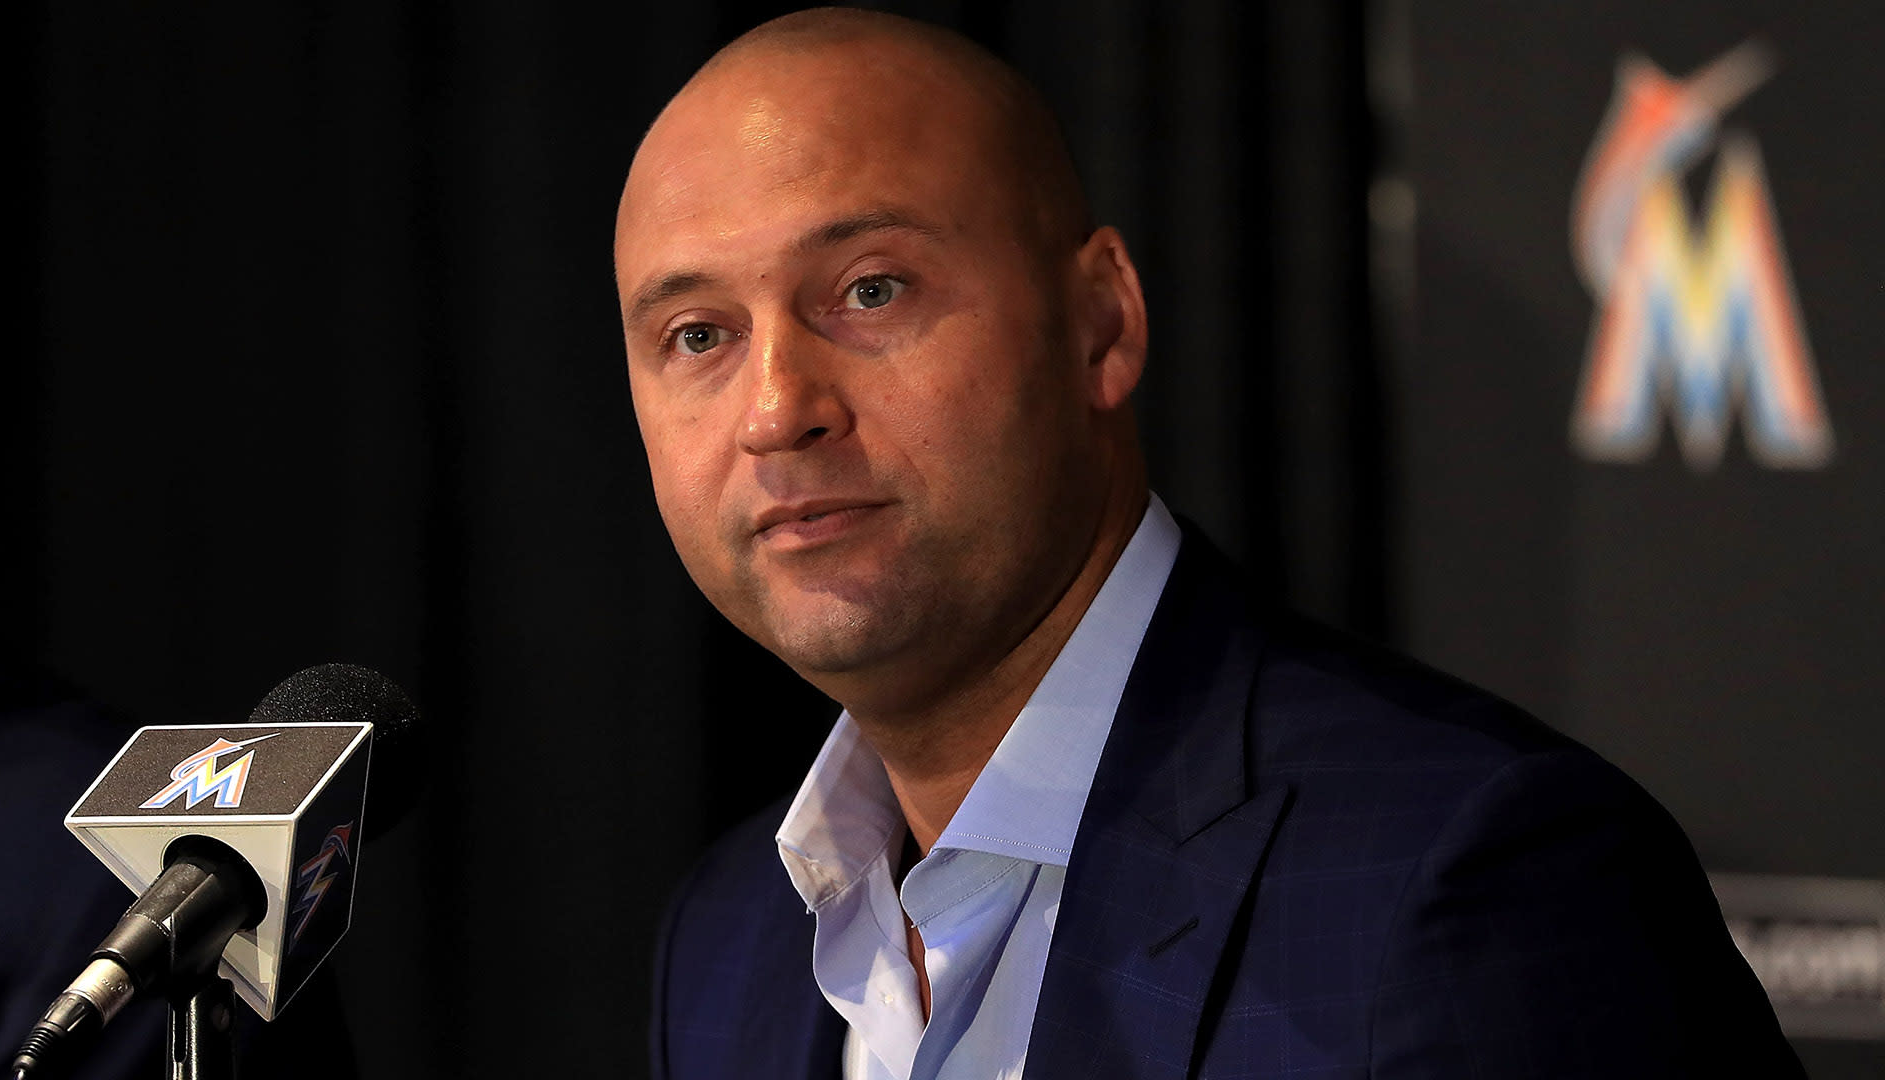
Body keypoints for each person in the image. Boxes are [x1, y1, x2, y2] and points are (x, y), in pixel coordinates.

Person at [616, 8, 1800, 1079]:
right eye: (698, 333)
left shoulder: (1473, 885)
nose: (777, 409)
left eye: (870, 291)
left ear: (1103, 323)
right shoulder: (727, 946)